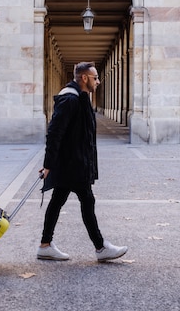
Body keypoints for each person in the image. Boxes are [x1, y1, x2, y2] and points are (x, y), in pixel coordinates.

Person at [37, 62, 128, 262]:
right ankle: (100, 247)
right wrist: (48, 164)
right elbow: (54, 133)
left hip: (74, 162)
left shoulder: (80, 98)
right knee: (87, 200)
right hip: (73, 164)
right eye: (95, 77)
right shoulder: (70, 99)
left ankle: (45, 245)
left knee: (58, 200)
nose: (98, 81)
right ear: (84, 78)